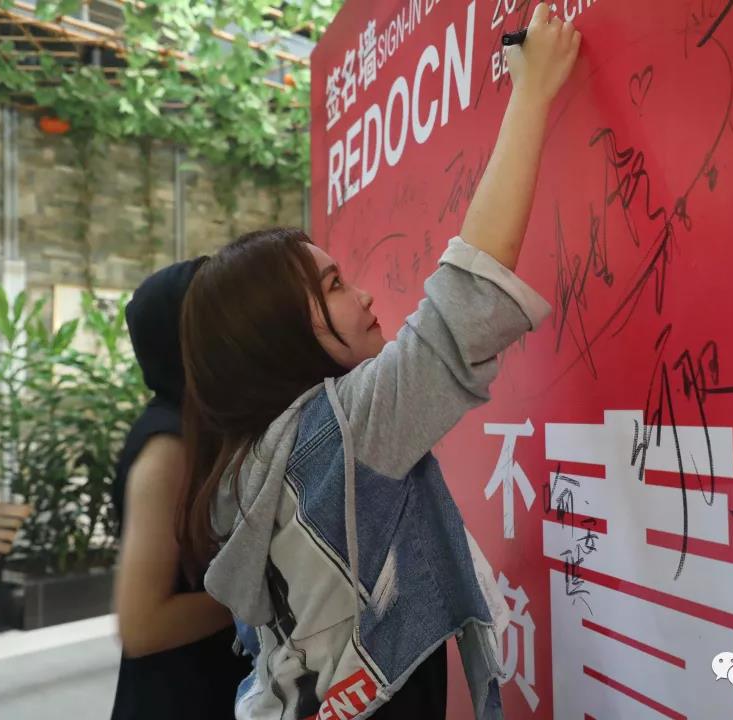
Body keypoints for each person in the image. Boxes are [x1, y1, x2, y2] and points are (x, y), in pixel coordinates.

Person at [178, 5, 580, 718]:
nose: (363, 295)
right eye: (333, 286)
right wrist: (533, 91)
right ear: (278, 332)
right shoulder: (341, 434)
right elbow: (465, 306)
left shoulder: (250, 460)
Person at [110, 259, 251, 720]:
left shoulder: (209, 427)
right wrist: (259, 595)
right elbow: (142, 625)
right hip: (180, 697)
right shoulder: (169, 449)